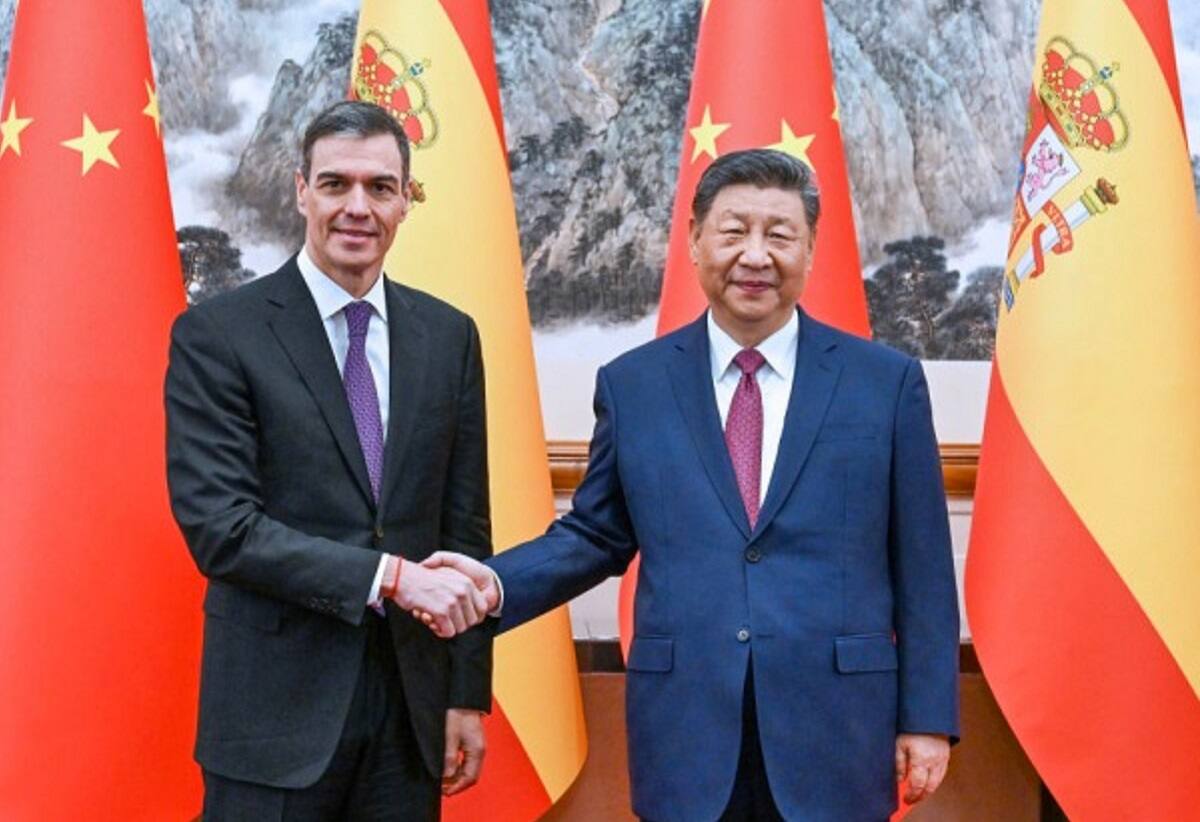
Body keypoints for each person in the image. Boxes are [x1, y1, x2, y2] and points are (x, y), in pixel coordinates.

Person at [427, 149, 960, 821]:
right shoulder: (634, 385)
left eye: (780, 234)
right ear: (694, 239)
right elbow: (595, 534)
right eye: (735, 231)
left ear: (812, 247)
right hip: (687, 732)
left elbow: (924, 569)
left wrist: (928, 719)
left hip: (839, 732)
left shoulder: (886, 384)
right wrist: (492, 584)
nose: (756, 255)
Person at [166, 100, 494, 821]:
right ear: (300, 190)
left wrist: (466, 692)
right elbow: (221, 527)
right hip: (272, 720)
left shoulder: (449, 337)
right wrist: (390, 577)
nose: (357, 207)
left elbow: (464, 529)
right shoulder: (219, 334)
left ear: (406, 200)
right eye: (335, 183)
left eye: (380, 187)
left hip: (410, 715)